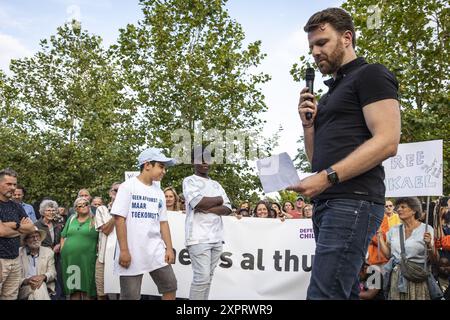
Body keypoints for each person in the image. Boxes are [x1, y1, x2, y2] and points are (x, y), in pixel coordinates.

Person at [289, 8, 401, 299]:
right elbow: (317, 161)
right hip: (329, 203)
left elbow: (388, 141)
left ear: (347, 38)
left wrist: (326, 178)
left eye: (322, 42)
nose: (315, 52)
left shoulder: (371, 75)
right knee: (344, 292)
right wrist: (308, 126)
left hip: (354, 201)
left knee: (323, 294)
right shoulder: (327, 96)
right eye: (311, 46)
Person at [111, 148, 177, 300]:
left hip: (155, 250)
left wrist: (168, 248)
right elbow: (119, 219)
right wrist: (124, 250)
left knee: (170, 286)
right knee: (130, 296)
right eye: (161, 166)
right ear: (147, 165)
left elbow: (163, 222)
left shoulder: (159, 192)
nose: (164, 171)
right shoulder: (128, 187)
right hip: (132, 251)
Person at [183, 146, 232, 300]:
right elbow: (197, 203)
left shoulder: (217, 184)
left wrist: (208, 207)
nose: (205, 162)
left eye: (208, 159)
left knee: (208, 279)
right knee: (201, 279)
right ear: (193, 161)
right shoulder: (189, 181)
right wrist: (218, 200)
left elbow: (228, 208)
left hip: (216, 238)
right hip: (198, 238)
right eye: (200, 159)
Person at [378, 197, 439, 300]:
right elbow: (388, 255)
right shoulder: (393, 230)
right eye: (397, 207)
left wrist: (429, 245)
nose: (398, 209)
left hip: (417, 277)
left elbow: (435, 259)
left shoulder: (427, 229)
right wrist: (379, 236)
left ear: (414, 210)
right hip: (397, 278)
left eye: (403, 207)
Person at [0, 168, 37, 300]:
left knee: (10, 296)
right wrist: (21, 229)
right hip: (1, 260)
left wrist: (14, 225)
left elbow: (32, 228)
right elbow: (1, 231)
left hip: (15, 259)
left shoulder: (16, 206)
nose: (13, 188)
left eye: (14, 184)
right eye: (8, 184)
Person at [60, 197, 98, 300]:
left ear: (89, 206)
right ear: (76, 209)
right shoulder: (71, 219)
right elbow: (63, 236)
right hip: (70, 259)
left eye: (85, 204)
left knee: (87, 290)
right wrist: (63, 251)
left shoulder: (95, 220)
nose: (83, 206)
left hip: (87, 259)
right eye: (80, 205)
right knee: (74, 290)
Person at [95, 182, 121, 300]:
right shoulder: (102, 209)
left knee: (123, 292)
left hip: (123, 259)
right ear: (111, 193)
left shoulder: (131, 211)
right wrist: (117, 211)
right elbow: (106, 230)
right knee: (102, 294)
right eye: (116, 190)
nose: (118, 192)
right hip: (103, 258)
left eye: (122, 190)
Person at [18, 229, 56, 300]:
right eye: (32, 237)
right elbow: (14, 277)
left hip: (44, 285)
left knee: (37, 291)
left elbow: (53, 272)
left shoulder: (48, 252)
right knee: (38, 288)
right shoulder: (19, 253)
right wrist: (26, 280)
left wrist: (43, 276)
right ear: (26, 240)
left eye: (37, 236)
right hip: (25, 287)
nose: (35, 239)